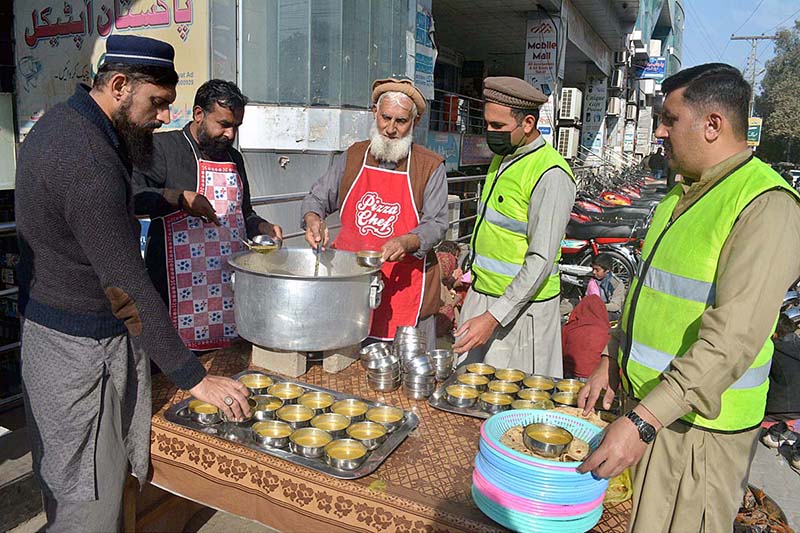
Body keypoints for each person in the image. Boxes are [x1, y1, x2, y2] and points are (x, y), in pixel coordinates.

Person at [15, 36, 251, 531]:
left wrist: (169, 199)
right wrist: (194, 377)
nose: (163, 117)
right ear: (120, 86)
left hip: (49, 327)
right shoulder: (87, 158)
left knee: (70, 482)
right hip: (82, 351)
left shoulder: (63, 124)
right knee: (90, 497)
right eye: (157, 104)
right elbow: (127, 287)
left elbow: (97, 216)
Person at [577, 63, 800, 532]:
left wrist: (643, 421)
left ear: (713, 124)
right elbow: (647, 297)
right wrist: (611, 356)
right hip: (655, 411)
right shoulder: (681, 196)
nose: (659, 130)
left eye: (670, 119)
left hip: (699, 430)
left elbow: (732, 341)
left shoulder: (765, 206)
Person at [133, 80, 282, 351]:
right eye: (223, 124)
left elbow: (242, 213)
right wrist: (179, 198)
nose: (230, 134)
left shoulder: (234, 159)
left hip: (227, 290)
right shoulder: (163, 148)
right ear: (199, 114)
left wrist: (263, 226)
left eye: (235, 126)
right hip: (177, 296)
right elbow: (132, 196)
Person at [301, 78, 448, 347]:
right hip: (351, 287)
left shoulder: (429, 166)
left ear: (414, 123)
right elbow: (317, 197)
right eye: (386, 118)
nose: (391, 128)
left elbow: (437, 224)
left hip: (406, 290)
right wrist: (313, 219)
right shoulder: (354, 155)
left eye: (401, 121)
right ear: (374, 113)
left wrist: (407, 241)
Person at [453, 76, 576, 376]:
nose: (490, 133)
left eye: (498, 127)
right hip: (483, 299)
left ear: (528, 123)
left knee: (512, 412)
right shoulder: (504, 158)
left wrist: (493, 317)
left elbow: (541, 261)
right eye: (487, 124)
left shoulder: (551, 174)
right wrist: (468, 271)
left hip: (521, 315)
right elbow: (493, 229)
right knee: (466, 391)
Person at [561, 294, 610, 379]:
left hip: (571, 376)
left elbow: (561, 351)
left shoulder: (570, 328)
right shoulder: (607, 333)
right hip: (596, 378)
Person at [586, 253, 625, 321]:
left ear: (607, 270)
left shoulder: (616, 284)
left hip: (611, 312)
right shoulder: (592, 278)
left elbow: (616, 306)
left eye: (597, 270)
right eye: (593, 269)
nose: (594, 272)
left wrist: (598, 307)